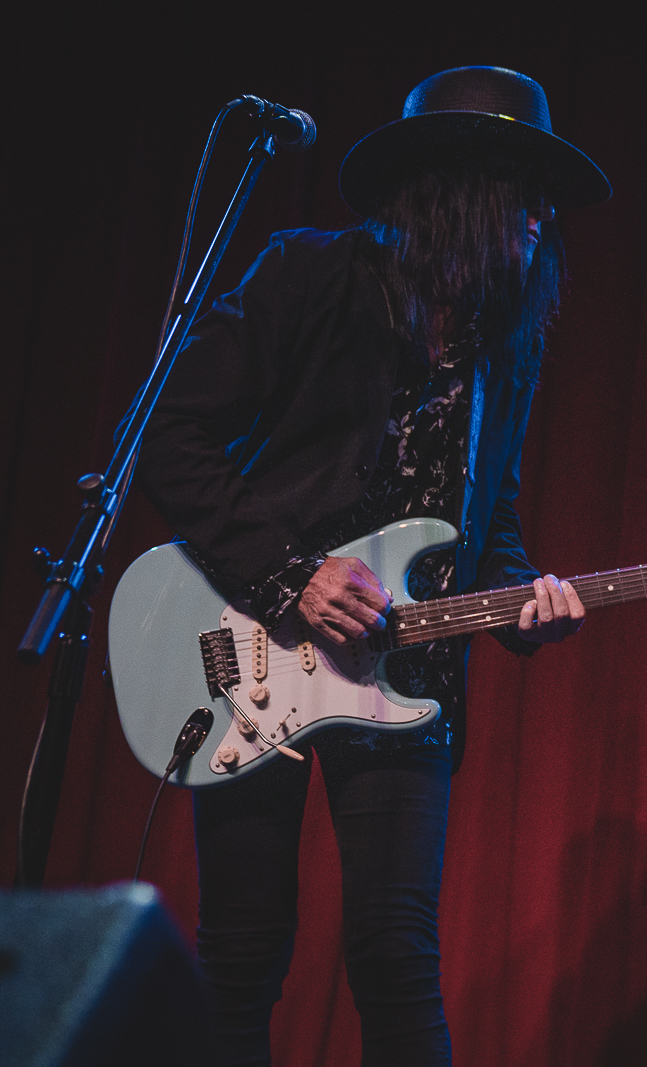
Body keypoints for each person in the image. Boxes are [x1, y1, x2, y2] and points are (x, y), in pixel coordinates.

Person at [134, 66, 611, 1065]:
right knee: (244, 953)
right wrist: (288, 576)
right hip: (247, 649)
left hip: (407, 678)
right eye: (518, 189)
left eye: (543, 201)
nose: (537, 218)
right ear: (454, 187)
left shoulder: (506, 347)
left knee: (397, 957)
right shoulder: (309, 274)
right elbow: (171, 433)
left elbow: (491, 516)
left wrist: (525, 600)